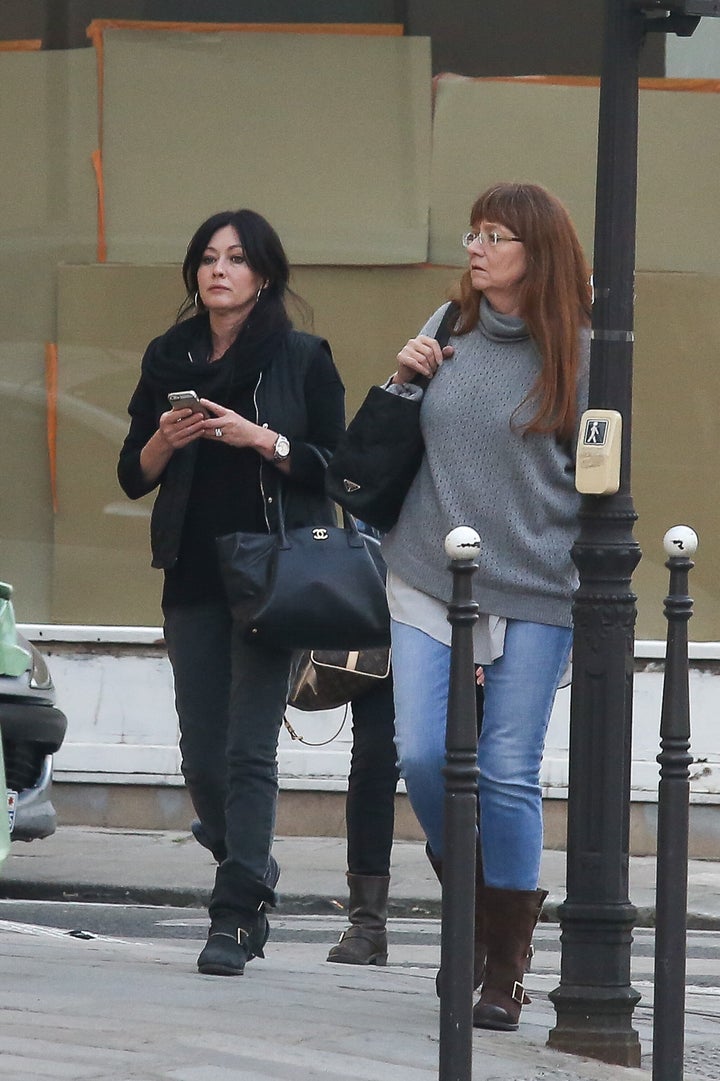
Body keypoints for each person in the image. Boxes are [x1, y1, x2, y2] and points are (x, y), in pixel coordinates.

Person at [379, 182, 591, 1030]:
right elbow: (394, 432)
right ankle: (474, 906)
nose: (475, 247)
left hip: (538, 582)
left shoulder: (583, 348)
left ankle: (502, 964)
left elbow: (604, 472)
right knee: (426, 755)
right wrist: (403, 374)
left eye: (495, 235)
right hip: (429, 571)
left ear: (535, 254)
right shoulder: (445, 326)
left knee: (506, 768)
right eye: (474, 232)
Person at [117, 208, 345, 978]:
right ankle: (247, 858)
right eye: (208, 258)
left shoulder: (301, 356)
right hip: (193, 574)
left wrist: (263, 439)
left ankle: (237, 911)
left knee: (249, 749)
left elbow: (338, 468)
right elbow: (131, 472)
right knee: (201, 755)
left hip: (276, 576)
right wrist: (164, 439)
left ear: (265, 275)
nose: (219, 270)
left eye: (236, 259)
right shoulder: (167, 355)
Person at [326, 674, 399, 966]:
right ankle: (367, 923)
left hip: (473, 641)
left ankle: (498, 927)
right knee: (372, 763)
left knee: (481, 773)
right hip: (386, 646)